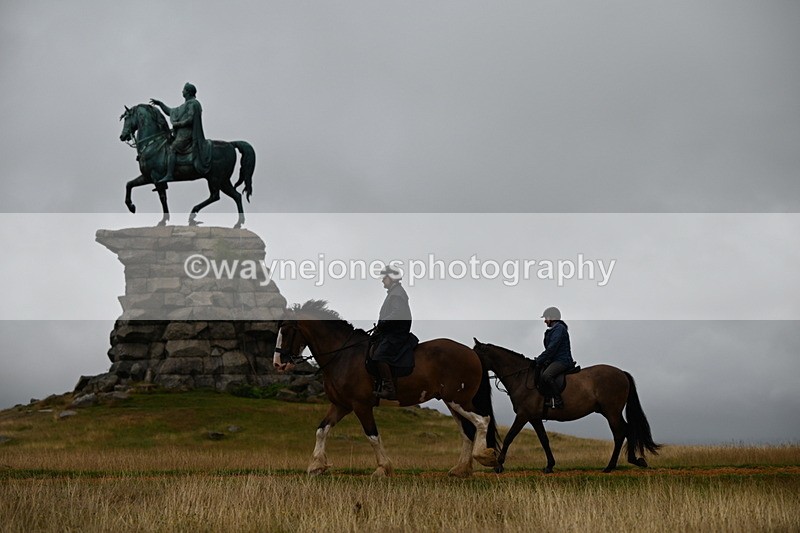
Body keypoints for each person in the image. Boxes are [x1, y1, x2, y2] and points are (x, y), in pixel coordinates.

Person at [149, 82, 212, 185]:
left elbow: (191, 119)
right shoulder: (184, 105)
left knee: (172, 148)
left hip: (187, 134)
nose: (182, 91)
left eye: (184, 90)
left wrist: (178, 124)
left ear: (187, 92)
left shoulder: (194, 103)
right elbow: (170, 111)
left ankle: (169, 174)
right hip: (180, 134)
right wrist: (160, 104)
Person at [370, 265, 412, 400]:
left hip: (396, 334)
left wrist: (382, 323)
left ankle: (389, 389)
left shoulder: (397, 293)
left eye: (384, 278)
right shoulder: (394, 292)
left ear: (391, 278)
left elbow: (397, 313)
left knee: (380, 355)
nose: (382, 280)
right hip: (390, 332)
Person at [533, 306, 575, 409]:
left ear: (552, 317)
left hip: (562, 360)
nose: (545, 321)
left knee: (547, 375)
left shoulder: (559, 329)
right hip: (554, 360)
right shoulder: (553, 330)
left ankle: (558, 400)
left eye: (546, 318)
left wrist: (540, 359)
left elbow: (552, 348)